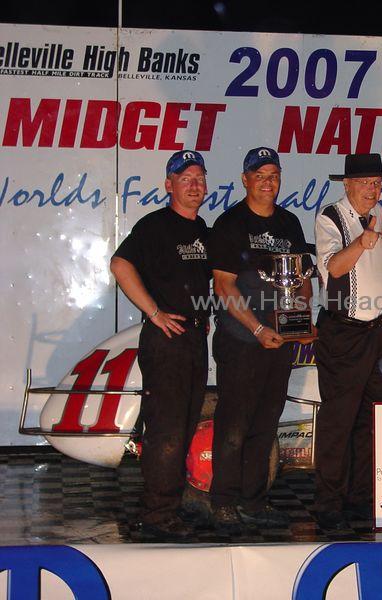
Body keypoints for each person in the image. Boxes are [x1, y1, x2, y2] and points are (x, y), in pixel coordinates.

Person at [206, 146, 312, 531]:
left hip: (279, 342)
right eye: (260, 175)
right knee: (234, 423)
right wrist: (257, 328)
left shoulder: (289, 223)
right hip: (242, 339)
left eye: (274, 175)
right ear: (245, 180)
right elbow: (223, 285)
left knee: (266, 424)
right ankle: (223, 502)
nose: (268, 182)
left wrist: (299, 319)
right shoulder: (230, 223)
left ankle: (254, 500)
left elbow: (301, 279)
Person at [110, 150, 211, 539]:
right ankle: (156, 515)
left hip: (194, 339)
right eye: (184, 178)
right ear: (169, 185)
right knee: (166, 430)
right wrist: (154, 312)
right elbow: (120, 264)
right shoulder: (155, 225)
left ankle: (167, 507)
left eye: (199, 177)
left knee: (184, 427)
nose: (194, 184)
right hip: (166, 340)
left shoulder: (203, 229)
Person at [314, 153, 382, 529]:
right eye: (364, 183)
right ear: (346, 185)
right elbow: (333, 268)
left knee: (369, 421)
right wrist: (363, 242)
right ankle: (329, 506)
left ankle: (360, 500)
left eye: (377, 183)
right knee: (338, 421)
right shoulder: (330, 217)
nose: (372, 189)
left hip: (377, 333)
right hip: (344, 331)